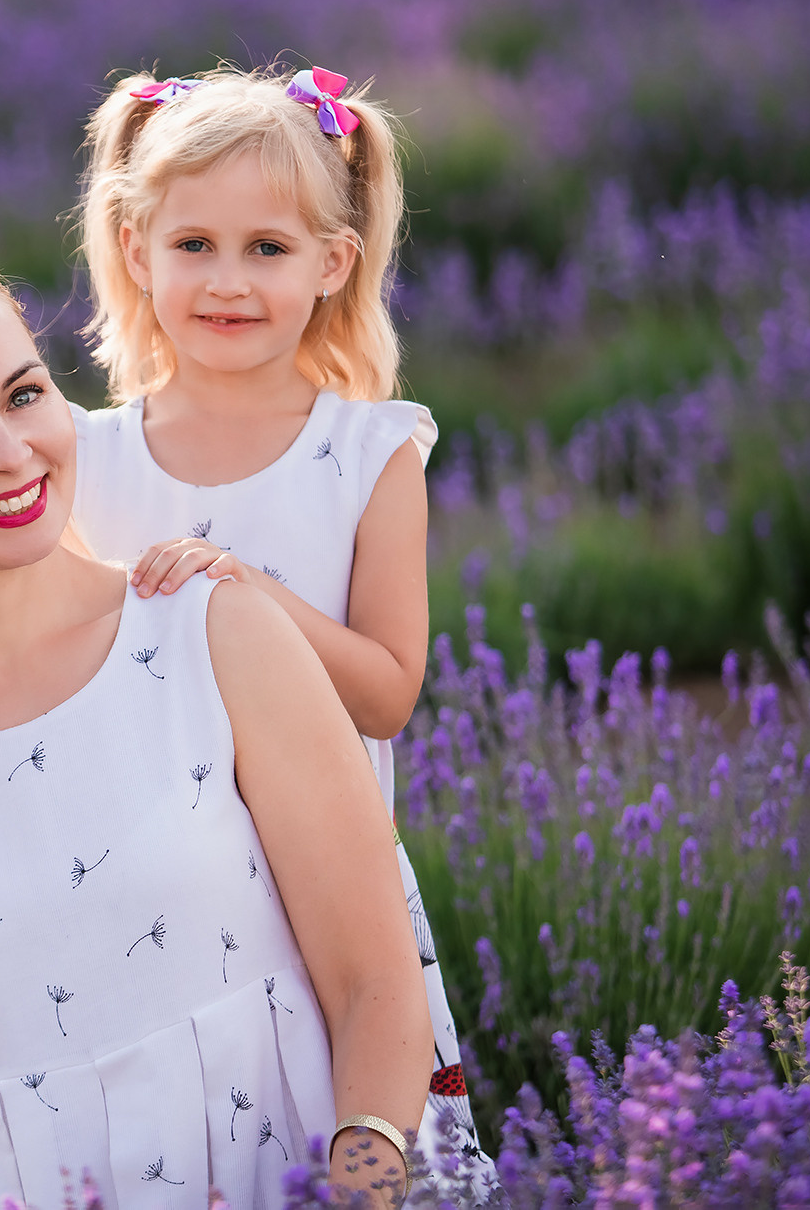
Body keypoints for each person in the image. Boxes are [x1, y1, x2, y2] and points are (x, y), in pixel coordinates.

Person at [0, 234, 432, 1209]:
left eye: (22, 394)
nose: (7, 452)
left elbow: (377, 983)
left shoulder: (214, 633)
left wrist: (361, 1193)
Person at [72, 66, 495, 1193]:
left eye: (267, 249)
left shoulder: (368, 456)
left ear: (330, 265)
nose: (226, 280)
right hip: (143, 919)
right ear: (134, 250)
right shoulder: (83, 463)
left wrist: (245, 595)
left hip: (326, 928)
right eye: (192, 245)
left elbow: (385, 691)